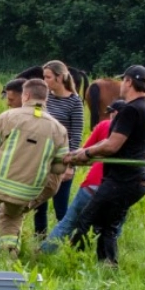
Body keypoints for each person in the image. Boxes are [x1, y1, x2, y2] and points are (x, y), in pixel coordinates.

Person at [0, 79, 68, 259]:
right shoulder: (59, 129)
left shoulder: (8, 117)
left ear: (26, 95)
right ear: (45, 98)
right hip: (26, 191)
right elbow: (59, 166)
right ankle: (9, 257)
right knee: (12, 220)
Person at [61, 65, 145, 266]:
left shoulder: (131, 109)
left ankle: (71, 263)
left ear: (129, 81)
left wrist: (85, 153)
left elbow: (112, 145)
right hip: (134, 179)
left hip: (123, 180)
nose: (121, 84)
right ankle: (107, 265)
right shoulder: (143, 107)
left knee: (86, 219)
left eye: (124, 80)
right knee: (107, 225)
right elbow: (111, 142)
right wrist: (82, 152)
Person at [40, 99, 124, 253]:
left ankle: (44, 253)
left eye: (111, 112)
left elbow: (85, 151)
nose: (110, 116)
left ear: (116, 113)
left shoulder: (105, 126)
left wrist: (70, 159)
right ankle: (106, 259)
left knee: (68, 222)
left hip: (92, 185)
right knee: (113, 227)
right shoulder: (134, 133)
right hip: (119, 188)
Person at [33, 61, 85, 238]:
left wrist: (71, 165)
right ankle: (39, 237)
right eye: (44, 77)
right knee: (38, 203)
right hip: (42, 158)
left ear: (60, 77)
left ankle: (66, 241)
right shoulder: (45, 99)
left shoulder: (75, 102)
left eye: (48, 77)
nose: (44, 81)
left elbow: (76, 135)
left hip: (63, 160)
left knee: (60, 206)